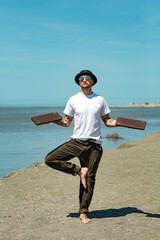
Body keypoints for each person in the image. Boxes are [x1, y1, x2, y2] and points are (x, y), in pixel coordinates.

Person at [45, 70, 117, 223]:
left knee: (90, 178)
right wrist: (52, 121)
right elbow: (66, 122)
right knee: (50, 159)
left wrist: (118, 123)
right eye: (81, 79)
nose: (84, 80)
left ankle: (83, 212)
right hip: (76, 142)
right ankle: (78, 170)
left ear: (93, 81)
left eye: (87, 78)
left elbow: (108, 121)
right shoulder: (73, 100)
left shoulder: (100, 100)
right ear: (79, 82)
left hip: (94, 146)